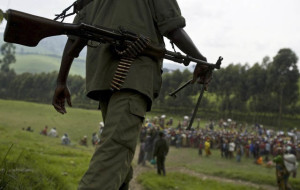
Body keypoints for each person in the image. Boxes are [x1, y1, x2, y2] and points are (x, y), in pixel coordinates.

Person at [52, 0, 209, 189]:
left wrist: (61, 81)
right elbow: (173, 29)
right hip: (134, 78)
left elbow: (74, 38)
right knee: (114, 152)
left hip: (103, 80)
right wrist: (201, 60)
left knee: (119, 158)